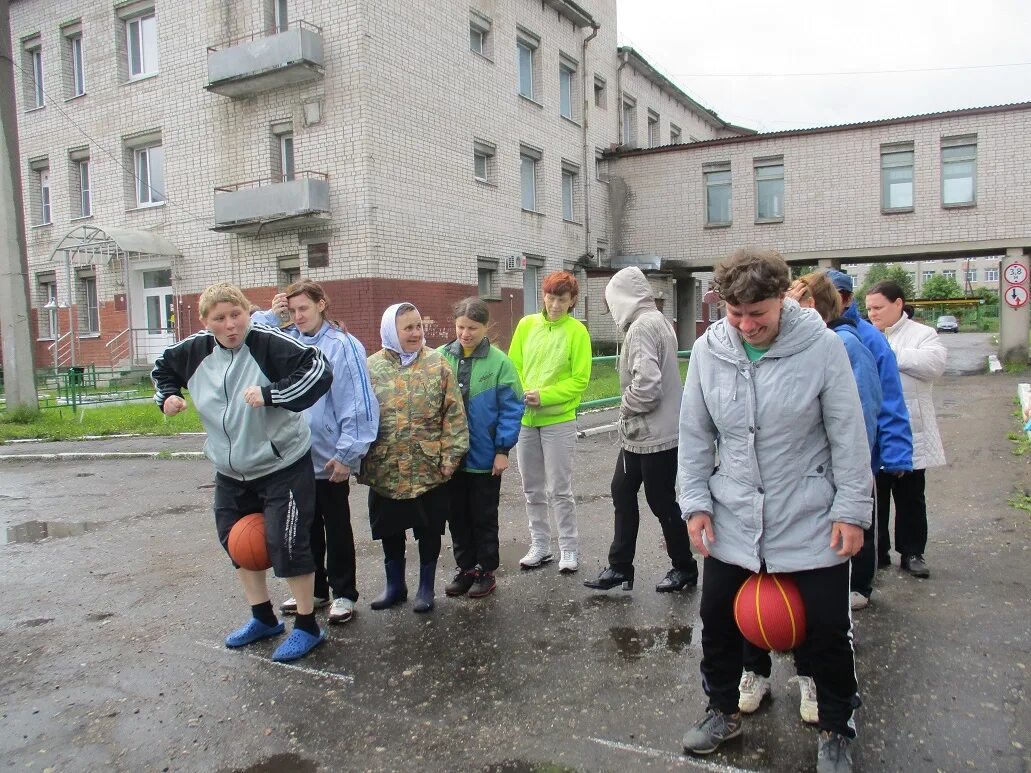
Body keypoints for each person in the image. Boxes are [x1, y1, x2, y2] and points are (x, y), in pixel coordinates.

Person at [677, 249, 871, 773]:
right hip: (733, 513)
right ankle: (722, 710)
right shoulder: (708, 351)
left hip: (809, 514)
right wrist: (695, 503)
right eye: (734, 314)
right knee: (716, 618)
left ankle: (835, 725)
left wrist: (852, 509)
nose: (745, 325)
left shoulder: (822, 347)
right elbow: (695, 435)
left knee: (828, 629)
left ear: (783, 299)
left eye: (757, 313)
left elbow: (848, 435)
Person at [152, 282, 333, 663]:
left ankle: (306, 626)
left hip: (282, 464)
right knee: (235, 541)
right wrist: (167, 397)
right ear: (206, 322)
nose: (231, 325)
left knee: (287, 543)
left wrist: (272, 394)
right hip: (230, 469)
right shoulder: (194, 351)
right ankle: (263, 618)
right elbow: (162, 368)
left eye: (237, 315)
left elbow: (318, 368)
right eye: (220, 319)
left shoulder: (269, 343)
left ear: (247, 313)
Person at [736, 272, 882, 724]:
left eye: (802, 306)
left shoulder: (837, 348)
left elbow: (857, 429)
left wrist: (852, 504)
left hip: (810, 501)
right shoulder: (737, 349)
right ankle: (752, 671)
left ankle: (812, 680)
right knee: (753, 596)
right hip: (755, 503)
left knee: (806, 608)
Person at [253, 281, 379, 625]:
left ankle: (343, 594)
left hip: (329, 457)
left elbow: (356, 401)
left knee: (335, 526)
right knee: (302, 528)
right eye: (291, 311)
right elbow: (246, 334)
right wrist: (270, 314)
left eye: (303, 309)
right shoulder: (287, 340)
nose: (297, 317)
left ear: (322, 305)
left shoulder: (342, 345)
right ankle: (315, 590)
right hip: (293, 457)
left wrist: (348, 454)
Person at [583, 266, 697, 593]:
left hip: (654, 434)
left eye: (612, 303)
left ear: (623, 299)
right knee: (622, 490)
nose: (612, 312)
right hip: (643, 433)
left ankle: (684, 567)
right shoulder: (655, 320)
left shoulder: (642, 327)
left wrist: (623, 407)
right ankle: (620, 566)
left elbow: (647, 386)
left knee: (661, 501)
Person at [359, 303, 468, 613]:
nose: (416, 332)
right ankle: (395, 586)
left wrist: (451, 456)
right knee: (390, 529)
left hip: (428, 467)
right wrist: (357, 459)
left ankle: (425, 588)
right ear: (390, 331)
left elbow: (454, 415)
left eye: (419, 326)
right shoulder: (371, 367)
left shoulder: (438, 363)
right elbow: (357, 416)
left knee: (429, 528)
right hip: (385, 468)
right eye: (408, 327)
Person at [827, 269, 913, 579]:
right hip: (829, 456)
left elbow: (888, 401)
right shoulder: (816, 335)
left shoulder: (867, 339)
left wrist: (896, 456)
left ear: (846, 298)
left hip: (866, 451)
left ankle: (861, 583)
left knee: (863, 517)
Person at [438, 298, 524, 598]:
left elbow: (511, 408)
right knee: (456, 515)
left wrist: (503, 450)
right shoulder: (439, 357)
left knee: (483, 516)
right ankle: (465, 568)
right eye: (460, 327)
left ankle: (486, 571)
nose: (465, 333)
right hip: (450, 458)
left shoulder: (500, 363)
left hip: (485, 458)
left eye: (472, 328)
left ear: (486, 327)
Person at [509, 271, 592, 574]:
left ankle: (568, 547)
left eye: (563, 299)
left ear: (572, 302)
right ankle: (540, 545)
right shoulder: (526, 325)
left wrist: (544, 396)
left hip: (559, 420)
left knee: (559, 488)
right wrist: (521, 391)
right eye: (551, 297)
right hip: (527, 421)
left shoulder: (577, 332)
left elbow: (580, 380)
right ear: (543, 296)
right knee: (531, 487)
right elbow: (514, 364)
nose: (555, 305)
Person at [864, 280, 946, 579]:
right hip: (877, 428)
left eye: (878, 307)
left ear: (898, 304)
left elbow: (933, 364)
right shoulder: (864, 333)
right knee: (877, 496)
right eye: (869, 308)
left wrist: (887, 354)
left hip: (912, 430)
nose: (872, 314)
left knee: (911, 496)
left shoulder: (923, 334)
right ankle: (879, 551)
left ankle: (912, 552)